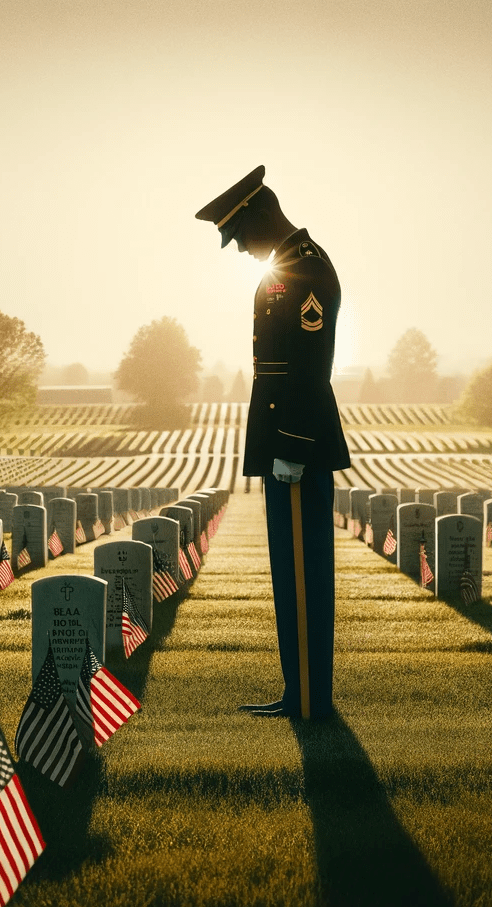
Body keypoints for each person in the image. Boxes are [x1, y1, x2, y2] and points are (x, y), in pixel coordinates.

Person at [195, 166, 350, 719]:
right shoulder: (290, 266)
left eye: (239, 237)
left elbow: (309, 367)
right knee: (289, 573)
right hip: (288, 446)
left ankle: (310, 700)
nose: (240, 251)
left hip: (298, 450)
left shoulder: (304, 270)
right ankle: (298, 691)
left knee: (304, 573)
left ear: (259, 217)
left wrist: (290, 444)